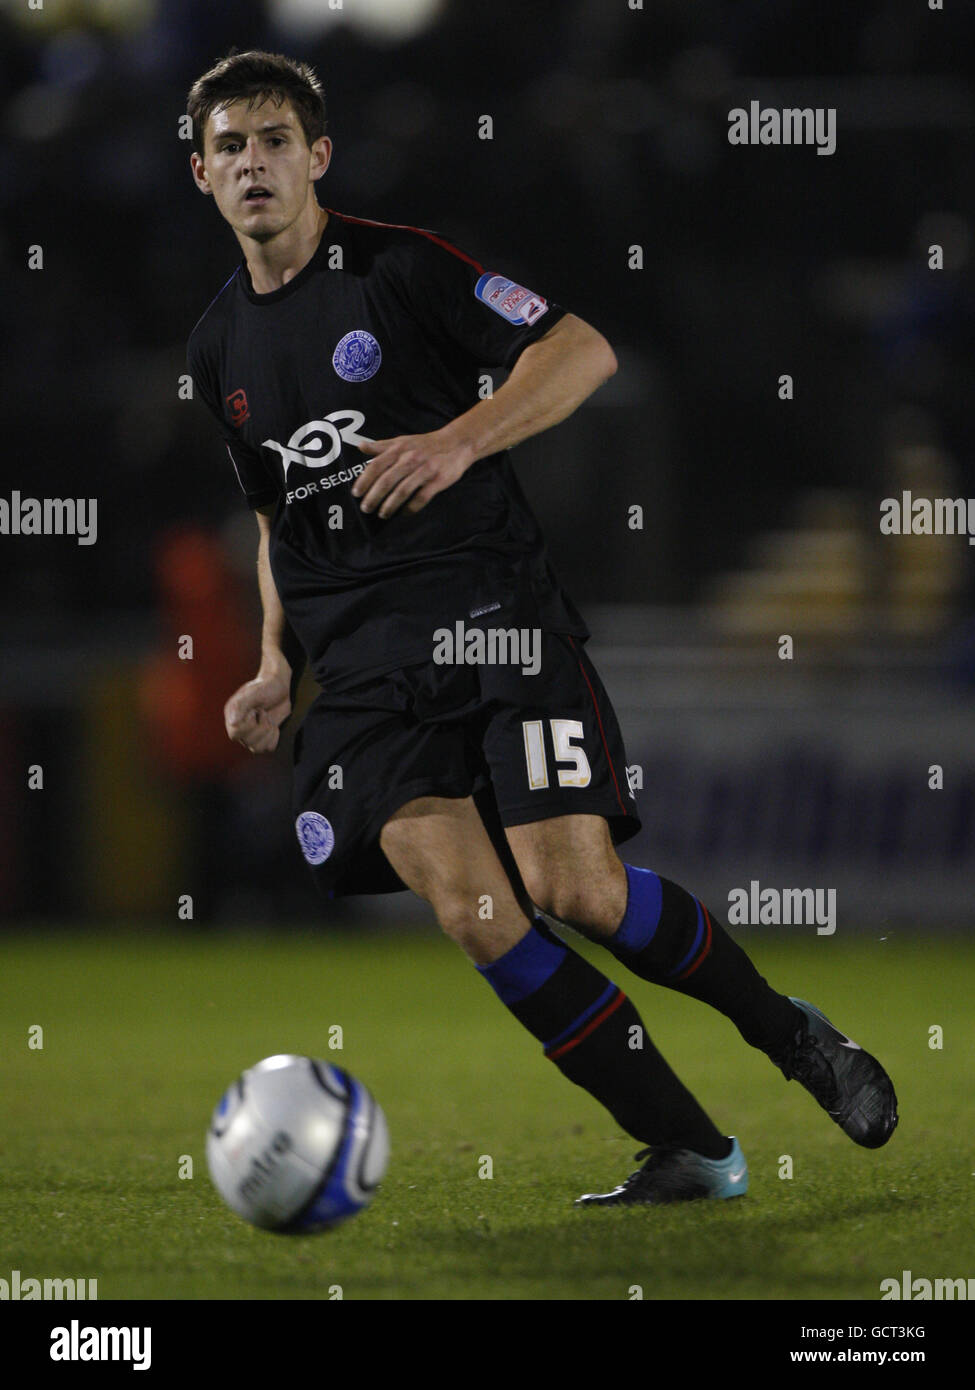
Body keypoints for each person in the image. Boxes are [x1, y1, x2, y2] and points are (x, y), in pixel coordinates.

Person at [186, 49, 897, 1207]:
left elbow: (581, 348)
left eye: (274, 141)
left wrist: (460, 439)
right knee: (479, 916)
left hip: (491, 619)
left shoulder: (403, 271)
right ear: (200, 174)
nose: (252, 163)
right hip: (362, 675)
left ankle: (792, 1035)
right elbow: (275, 515)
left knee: (579, 891)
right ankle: (694, 1151)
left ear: (317, 158)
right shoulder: (216, 345)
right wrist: (275, 659)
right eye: (229, 146)